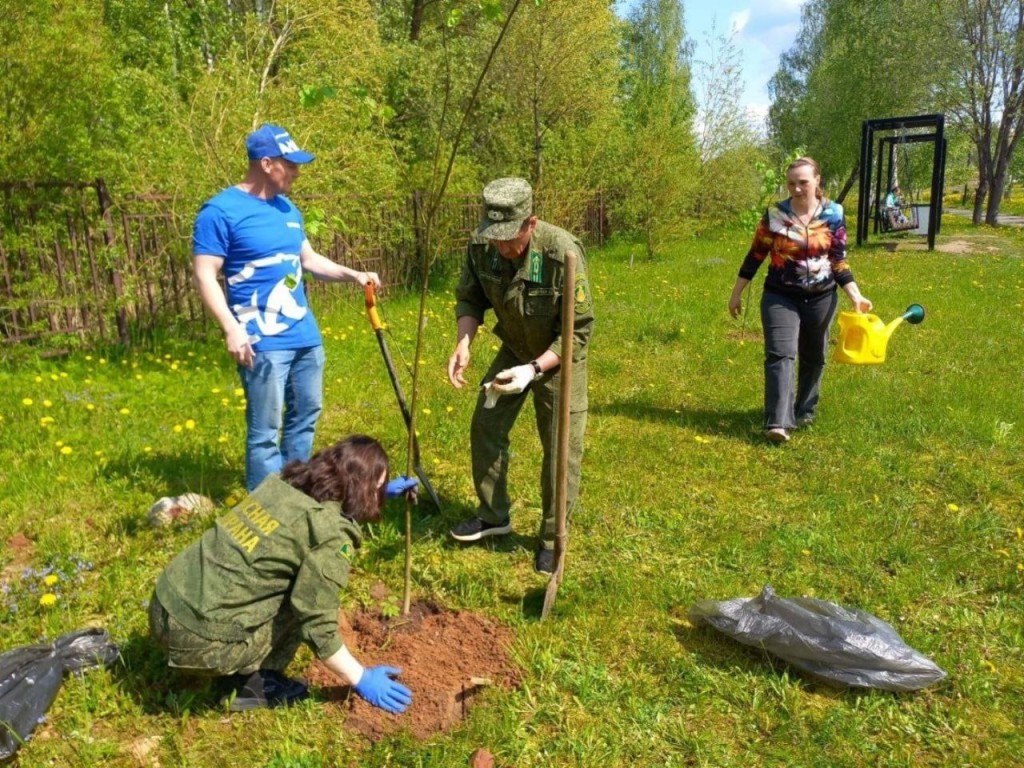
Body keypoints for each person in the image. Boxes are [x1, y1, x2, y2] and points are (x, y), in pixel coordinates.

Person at [148, 435, 419, 713]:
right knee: (304, 595)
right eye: (377, 487)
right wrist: (361, 677)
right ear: (363, 489)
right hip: (197, 642)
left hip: (164, 603)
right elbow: (316, 621)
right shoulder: (330, 534)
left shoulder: (278, 486)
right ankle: (252, 685)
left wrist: (377, 492)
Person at [193, 123, 381, 492]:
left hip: (304, 337)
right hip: (261, 340)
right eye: (289, 164)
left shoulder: (287, 208)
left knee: (305, 417)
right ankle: (264, 508)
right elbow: (204, 275)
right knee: (265, 429)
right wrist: (231, 328)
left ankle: (294, 494)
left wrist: (353, 275)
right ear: (266, 163)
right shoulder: (220, 211)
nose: (296, 171)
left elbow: (308, 260)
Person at [446, 177, 595, 574]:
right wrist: (464, 342)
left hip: (557, 358)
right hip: (514, 347)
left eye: (509, 237)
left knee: (560, 448)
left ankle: (551, 538)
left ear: (531, 223)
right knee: (486, 425)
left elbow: (577, 332)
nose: (502, 246)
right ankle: (494, 516)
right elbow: (470, 296)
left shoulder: (562, 253)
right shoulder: (483, 247)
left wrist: (533, 371)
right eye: (494, 236)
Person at [728, 156, 872, 444]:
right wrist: (737, 291)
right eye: (791, 183)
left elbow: (838, 260)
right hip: (780, 295)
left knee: (814, 356)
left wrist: (855, 295)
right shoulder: (775, 215)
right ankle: (778, 422)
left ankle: (805, 410)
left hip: (822, 296)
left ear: (817, 180)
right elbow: (756, 254)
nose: (796, 188)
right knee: (780, 354)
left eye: (803, 182)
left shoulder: (833, 213)